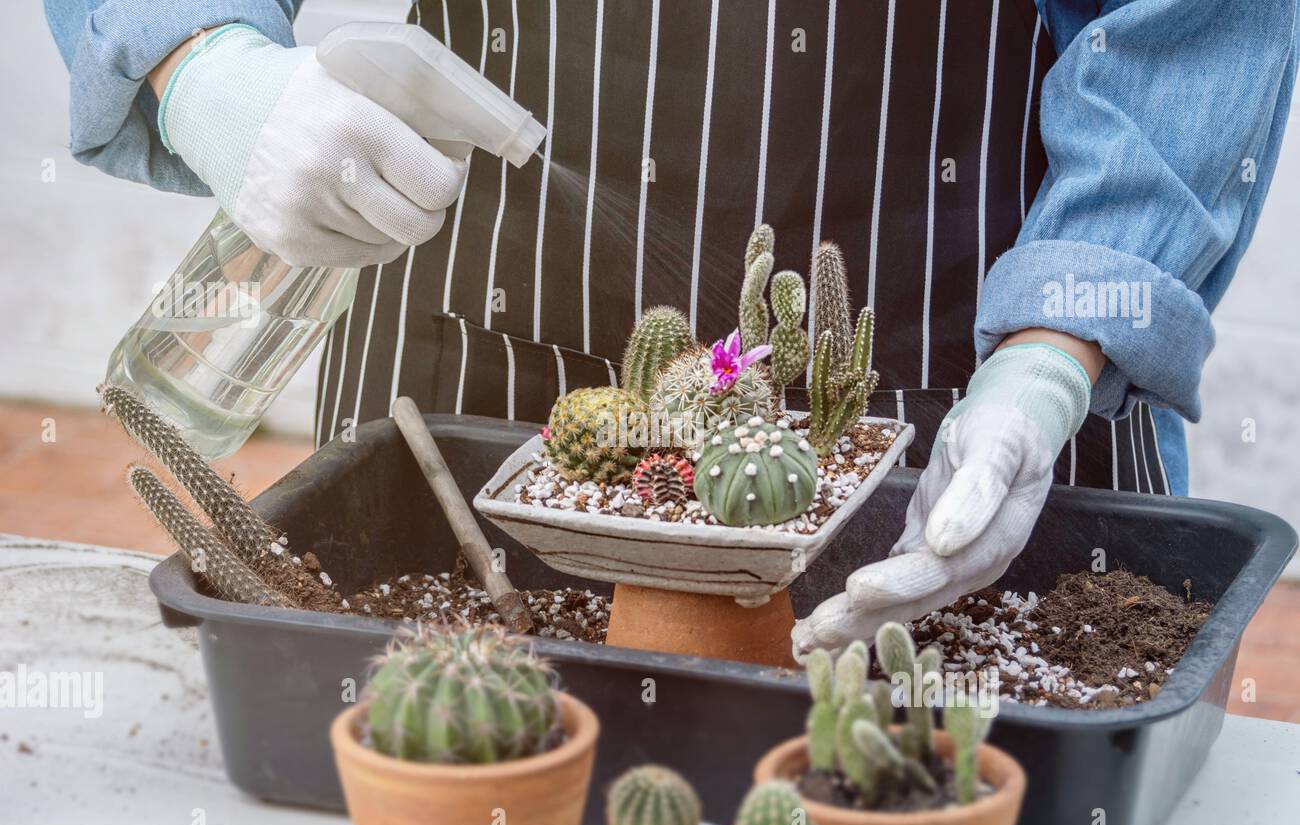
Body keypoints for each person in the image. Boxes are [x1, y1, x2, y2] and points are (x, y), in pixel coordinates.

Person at [46, 1, 1299, 658]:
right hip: (465, 333)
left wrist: (1051, 351)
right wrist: (198, 57)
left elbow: (1194, 21)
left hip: (963, 366)